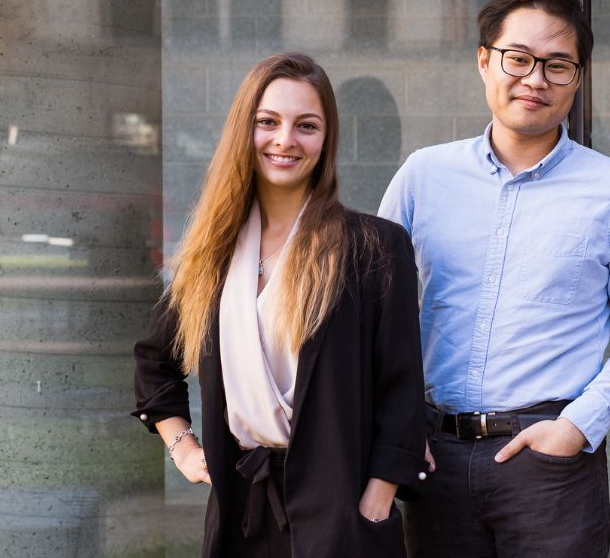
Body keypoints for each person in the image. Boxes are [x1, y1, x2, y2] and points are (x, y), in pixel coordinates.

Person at [378, 0, 610, 558]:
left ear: (577, 79)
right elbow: (374, 311)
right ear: (484, 62)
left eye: (557, 65)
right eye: (519, 58)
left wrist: (578, 426)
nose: (535, 79)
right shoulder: (423, 176)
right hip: (432, 456)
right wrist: (398, 424)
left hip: (551, 464)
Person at [132, 53, 428, 558]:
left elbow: (401, 388)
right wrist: (183, 448)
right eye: (267, 122)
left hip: (344, 512)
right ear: (243, 131)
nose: (285, 140)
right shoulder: (212, 254)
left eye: (306, 126)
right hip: (241, 515)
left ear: (326, 140)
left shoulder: (373, 247)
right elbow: (154, 360)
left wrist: (377, 500)